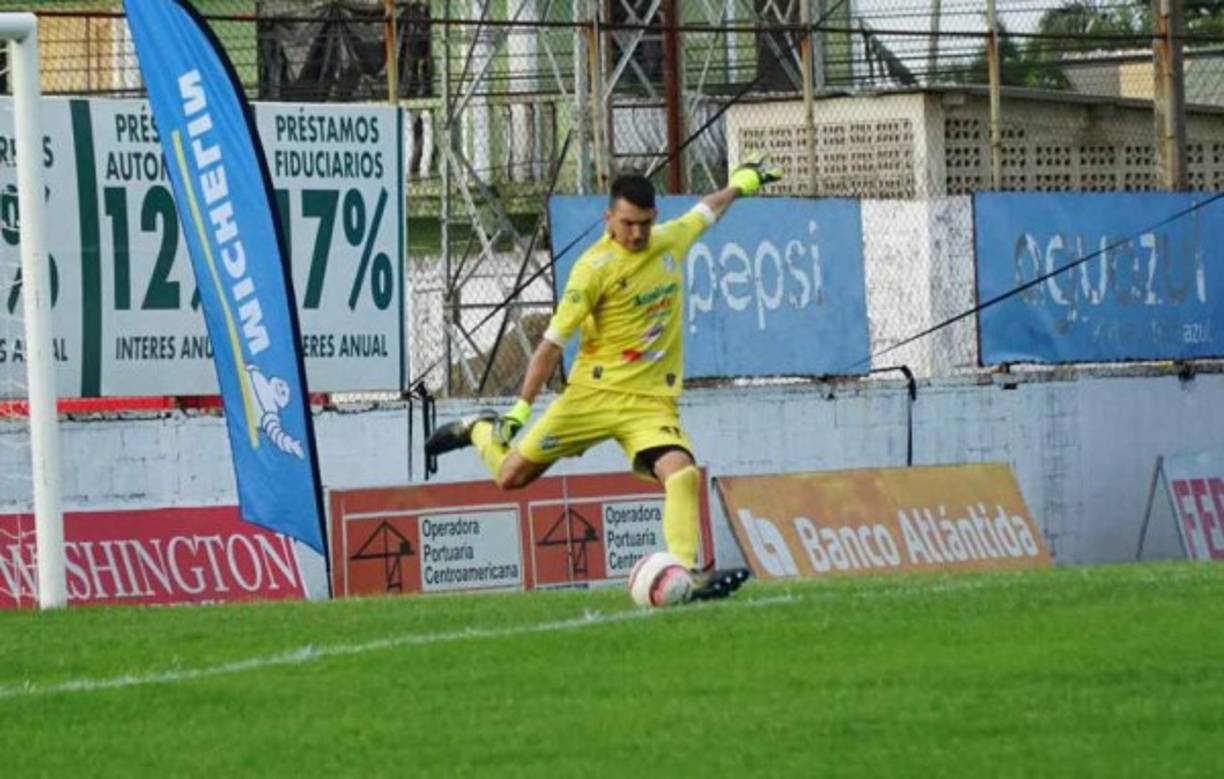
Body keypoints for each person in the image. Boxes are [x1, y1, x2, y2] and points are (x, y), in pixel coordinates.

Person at [426, 154, 782, 600]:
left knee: (683, 474)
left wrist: (742, 184)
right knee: (511, 477)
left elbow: (706, 210)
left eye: (644, 224)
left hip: (649, 403)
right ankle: (479, 428)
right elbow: (550, 345)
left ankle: (688, 574)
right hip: (590, 397)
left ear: (655, 218)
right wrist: (519, 410)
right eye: (628, 223)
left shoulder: (669, 241)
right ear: (608, 218)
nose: (636, 234)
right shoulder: (593, 270)